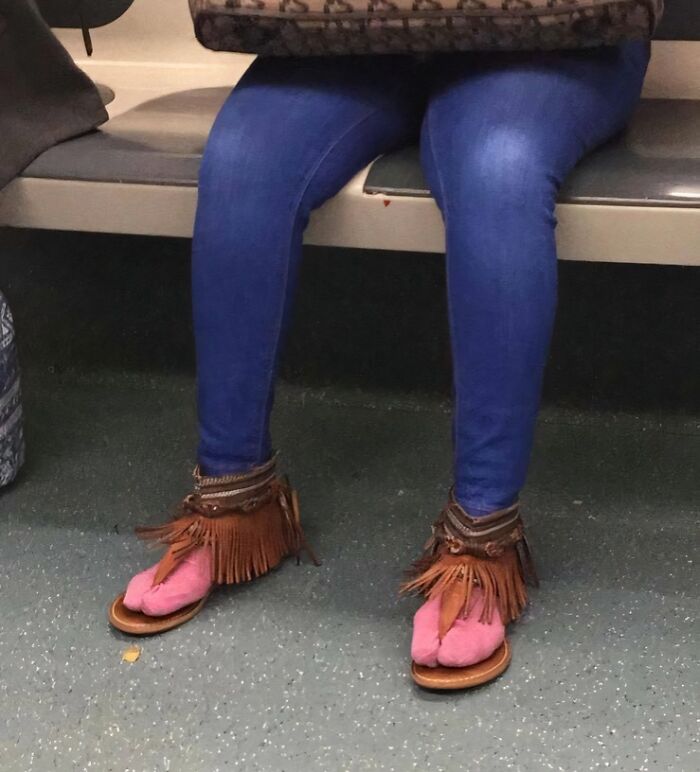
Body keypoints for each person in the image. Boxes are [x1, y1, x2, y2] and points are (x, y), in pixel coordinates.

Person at [109, 42, 650, 687]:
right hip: (360, 32)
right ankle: (235, 498)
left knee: (496, 169)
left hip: (549, 42)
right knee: (243, 159)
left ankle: (482, 535)